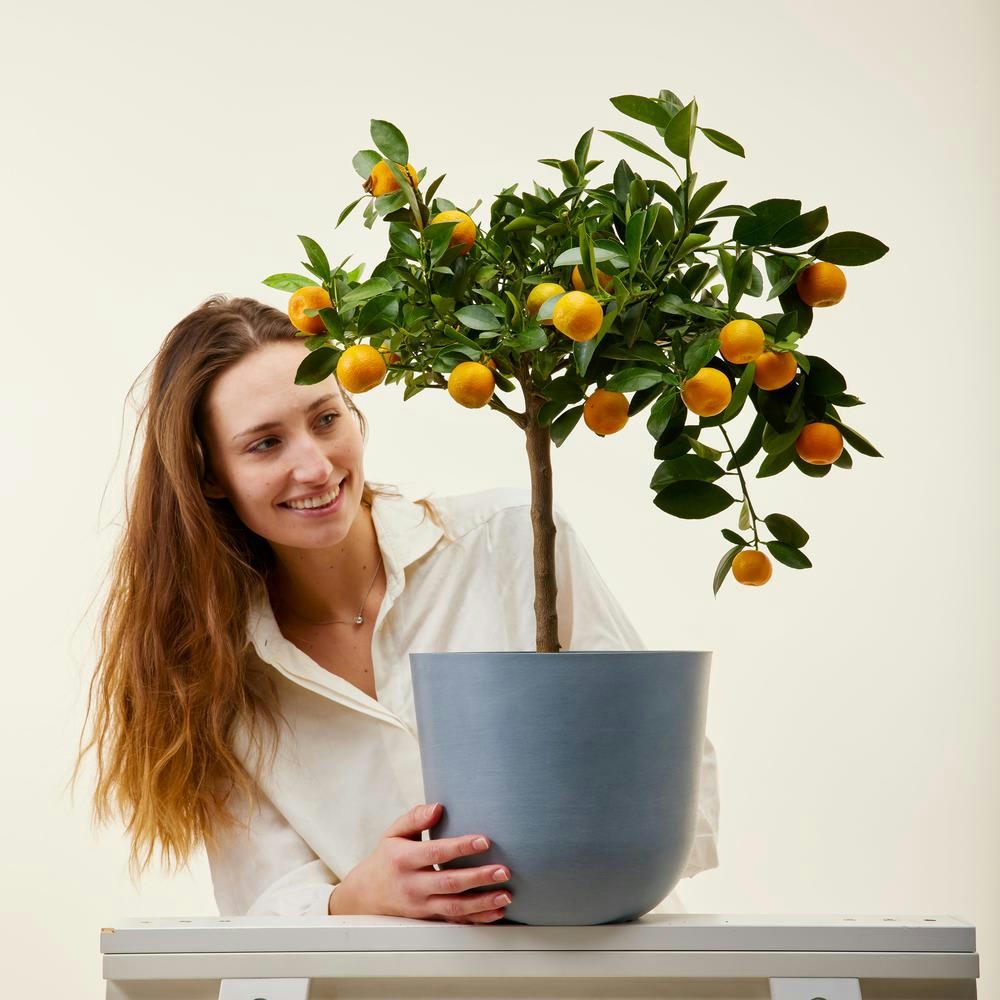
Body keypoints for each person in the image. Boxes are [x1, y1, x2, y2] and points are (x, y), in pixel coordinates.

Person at [72, 294, 720, 923]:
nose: (315, 466)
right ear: (210, 475)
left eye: (326, 419)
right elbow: (262, 904)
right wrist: (358, 894)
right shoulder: (213, 666)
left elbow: (674, 767)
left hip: (606, 969)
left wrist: (576, 871)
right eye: (265, 444)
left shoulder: (512, 540)